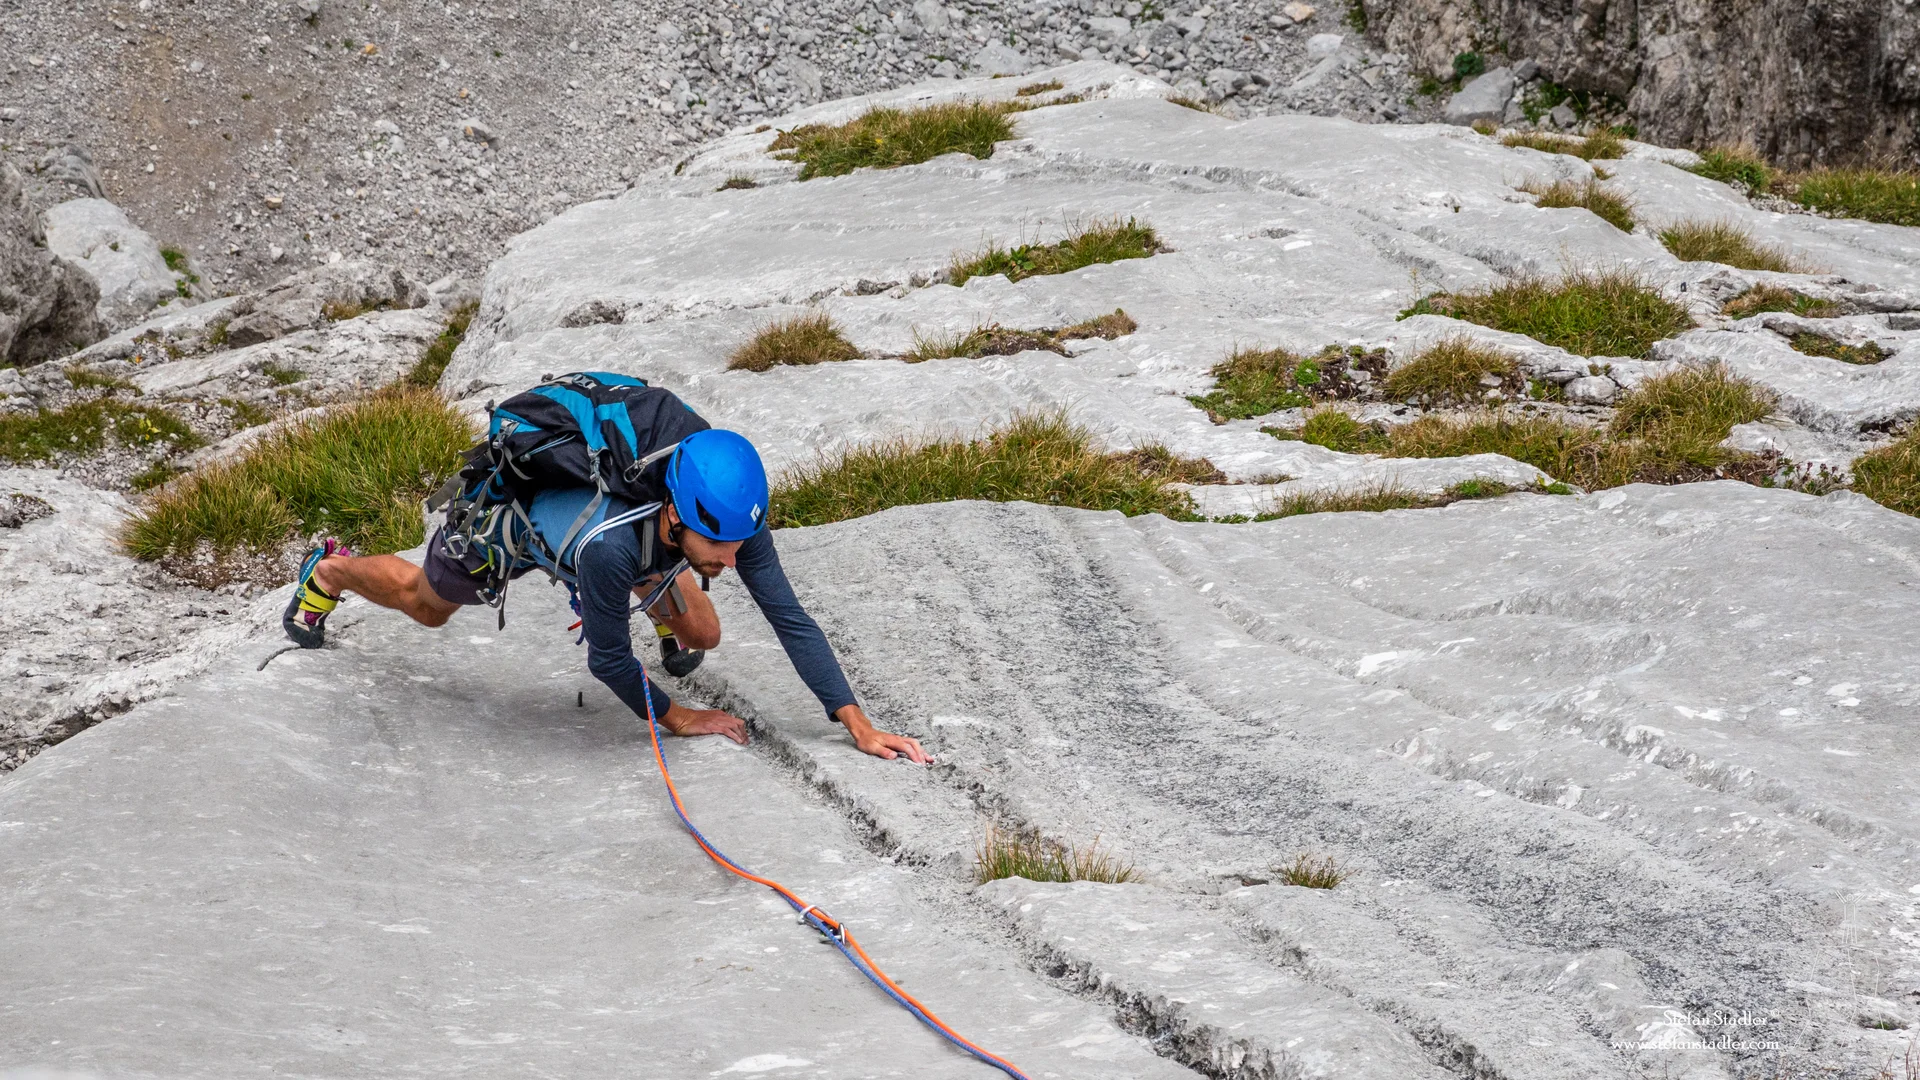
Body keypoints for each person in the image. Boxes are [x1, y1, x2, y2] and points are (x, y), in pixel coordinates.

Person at [281, 390, 931, 764]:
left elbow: (790, 617)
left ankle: (648, 594)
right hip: (518, 516)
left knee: (702, 630)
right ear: (676, 513)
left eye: (738, 545)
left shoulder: (724, 514)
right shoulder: (612, 546)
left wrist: (856, 723)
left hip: (622, 539)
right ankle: (331, 569)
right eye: (721, 548)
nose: (734, 562)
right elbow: (609, 663)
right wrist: (674, 717)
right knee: (426, 603)